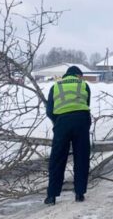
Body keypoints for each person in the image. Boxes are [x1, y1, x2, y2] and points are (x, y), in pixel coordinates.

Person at [44, 65, 92, 205]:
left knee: (57, 159)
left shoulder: (55, 86)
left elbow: (49, 110)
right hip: (81, 122)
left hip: (62, 123)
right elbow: (86, 104)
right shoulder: (84, 85)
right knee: (81, 158)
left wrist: (57, 121)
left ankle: (52, 196)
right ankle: (79, 193)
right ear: (78, 75)